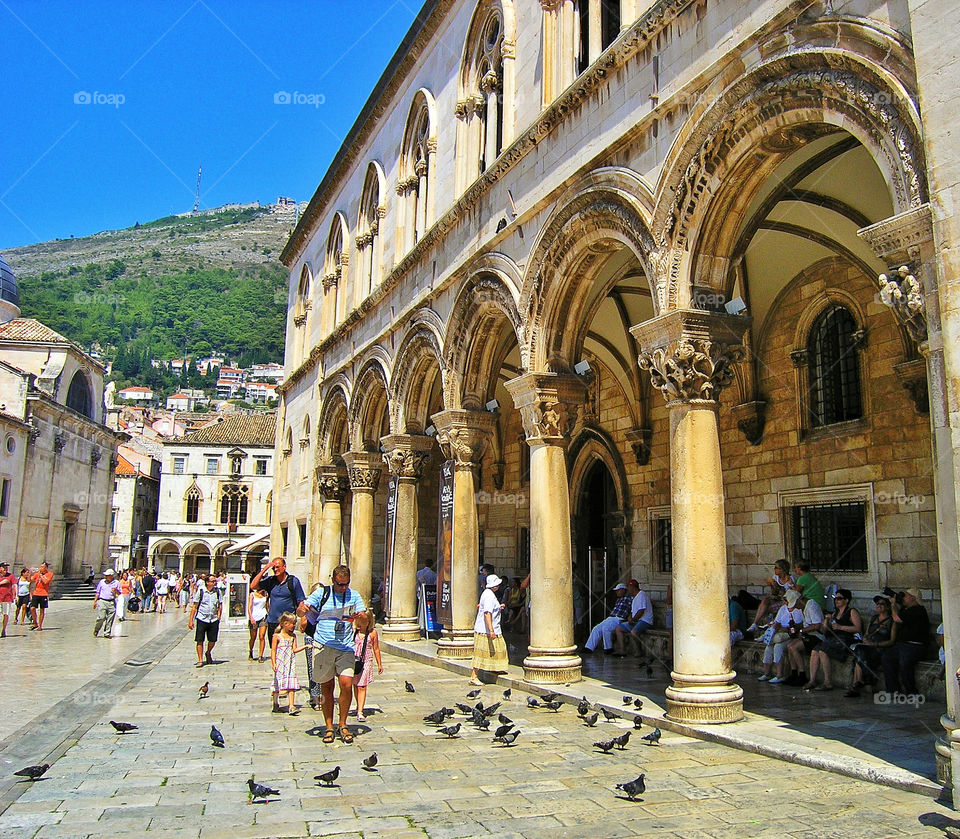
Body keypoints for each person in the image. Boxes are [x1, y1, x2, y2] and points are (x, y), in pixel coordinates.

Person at [299, 564, 365, 743]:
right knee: (327, 688)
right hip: (323, 645)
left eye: (346, 584)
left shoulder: (354, 595)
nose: (343, 588)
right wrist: (302, 610)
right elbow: (300, 610)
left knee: (346, 683)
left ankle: (343, 724)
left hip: (345, 647)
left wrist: (361, 617)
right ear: (333, 581)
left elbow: (365, 621)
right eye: (340, 584)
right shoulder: (322, 594)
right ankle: (329, 726)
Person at [804, 588, 862, 691]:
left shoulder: (851, 612)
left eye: (839, 599)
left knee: (823, 651)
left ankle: (828, 682)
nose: (836, 601)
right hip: (833, 639)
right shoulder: (835, 613)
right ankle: (812, 680)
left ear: (846, 600)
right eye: (835, 598)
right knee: (815, 650)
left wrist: (841, 627)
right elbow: (826, 631)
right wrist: (826, 622)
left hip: (844, 640)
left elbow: (858, 628)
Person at [881, 588, 929, 696]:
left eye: (906, 596)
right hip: (903, 645)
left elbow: (897, 619)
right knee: (887, 657)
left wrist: (893, 604)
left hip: (916, 646)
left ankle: (911, 692)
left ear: (913, 598)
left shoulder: (918, 610)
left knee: (904, 663)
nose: (904, 598)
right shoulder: (907, 610)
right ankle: (894, 690)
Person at [846, 596, 896, 697]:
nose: (879, 606)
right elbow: (867, 633)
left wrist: (875, 644)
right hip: (868, 646)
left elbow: (892, 641)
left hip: (881, 648)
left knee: (859, 654)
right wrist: (865, 639)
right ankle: (859, 682)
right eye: (877, 604)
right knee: (859, 651)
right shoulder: (874, 618)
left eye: (882, 604)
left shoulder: (891, 621)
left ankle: (856, 684)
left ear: (887, 607)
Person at [250, 558, 306, 647]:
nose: (275, 570)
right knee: (274, 649)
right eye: (273, 568)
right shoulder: (271, 581)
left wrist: (302, 619)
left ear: (284, 567)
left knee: (286, 649)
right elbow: (253, 586)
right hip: (272, 621)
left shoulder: (293, 581)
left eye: (277, 567)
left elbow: (301, 602)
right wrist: (264, 569)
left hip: (287, 623)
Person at [470, 574, 508, 685]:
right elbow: (487, 613)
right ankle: (473, 676)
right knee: (481, 652)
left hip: (493, 628)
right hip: (486, 629)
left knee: (498, 648)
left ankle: (495, 667)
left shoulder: (489, 594)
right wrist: (491, 630)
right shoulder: (488, 595)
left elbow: (488, 608)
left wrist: (499, 607)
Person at [758, 589, 803, 683]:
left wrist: (781, 628)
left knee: (778, 647)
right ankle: (767, 673)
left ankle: (779, 675)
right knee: (769, 646)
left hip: (790, 636)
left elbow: (795, 628)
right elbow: (777, 621)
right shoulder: (783, 609)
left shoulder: (798, 611)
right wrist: (774, 626)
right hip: (779, 633)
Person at [784, 592, 824, 687]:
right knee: (789, 646)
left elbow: (817, 625)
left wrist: (801, 630)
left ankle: (802, 674)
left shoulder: (811, 606)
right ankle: (794, 673)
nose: (796, 607)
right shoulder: (804, 608)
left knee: (794, 647)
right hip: (809, 635)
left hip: (817, 636)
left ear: (800, 600)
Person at [745, 560, 795, 635]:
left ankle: (768, 630)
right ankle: (755, 624)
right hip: (778, 599)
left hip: (786, 602)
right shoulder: (775, 578)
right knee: (765, 600)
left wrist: (779, 588)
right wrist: (773, 586)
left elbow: (790, 595)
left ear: (782, 569)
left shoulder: (790, 579)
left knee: (768, 609)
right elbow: (774, 593)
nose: (774, 569)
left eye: (776, 568)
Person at [583, 583, 633, 654]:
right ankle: (589, 648)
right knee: (596, 628)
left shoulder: (629, 598)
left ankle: (608, 648)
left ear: (623, 590)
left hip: (619, 618)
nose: (617, 592)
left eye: (618, 590)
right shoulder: (618, 600)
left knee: (606, 628)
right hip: (611, 618)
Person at [271, 611, 305, 715]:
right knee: (278, 684)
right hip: (281, 662)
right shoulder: (277, 636)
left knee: (291, 684)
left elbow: (294, 649)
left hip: (290, 663)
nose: (294, 626)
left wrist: (305, 647)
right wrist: (273, 662)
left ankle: (291, 706)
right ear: (285, 623)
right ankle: (275, 703)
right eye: (292, 623)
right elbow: (273, 650)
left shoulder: (293, 636)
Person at [352, 611, 382, 722]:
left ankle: (360, 711)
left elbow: (376, 648)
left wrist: (379, 664)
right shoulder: (354, 632)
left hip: (366, 661)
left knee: (362, 686)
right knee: (355, 685)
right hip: (354, 661)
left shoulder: (373, 633)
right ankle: (358, 705)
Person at [187, 575, 222, 667]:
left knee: (212, 640)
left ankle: (208, 652)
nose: (215, 583)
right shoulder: (201, 591)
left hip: (213, 619)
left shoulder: (217, 591)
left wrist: (219, 616)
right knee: (199, 640)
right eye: (213, 581)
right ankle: (200, 660)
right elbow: (194, 606)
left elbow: (220, 604)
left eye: (215, 581)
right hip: (202, 618)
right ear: (207, 582)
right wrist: (191, 620)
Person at [612, 580, 651, 657]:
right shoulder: (634, 598)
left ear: (633, 587)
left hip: (645, 621)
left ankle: (639, 650)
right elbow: (633, 611)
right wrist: (630, 617)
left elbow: (641, 611)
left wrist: (633, 620)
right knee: (618, 628)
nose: (628, 589)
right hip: (636, 620)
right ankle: (622, 650)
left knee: (633, 632)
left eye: (629, 587)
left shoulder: (642, 595)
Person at [92, 569, 121, 638]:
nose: (105, 576)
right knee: (101, 617)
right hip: (102, 601)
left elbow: (119, 593)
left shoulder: (116, 583)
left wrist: (116, 590)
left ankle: (107, 633)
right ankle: (96, 629)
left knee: (110, 618)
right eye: (105, 575)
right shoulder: (102, 582)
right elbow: (98, 592)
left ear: (111, 576)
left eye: (107, 575)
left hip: (111, 602)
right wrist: (95, 602)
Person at [30, 561, 53, 631]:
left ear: (46, 568)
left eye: (42, 567)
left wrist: (41, 575)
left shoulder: (49, 574)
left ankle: (40, 625)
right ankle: (35, 622)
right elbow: (30, 580)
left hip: (44, 594)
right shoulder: (37, 574)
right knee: (32, 608)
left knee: (42, 610)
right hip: (36, 593)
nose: (41, 568)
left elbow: (46, 582)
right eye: (40, 567)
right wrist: (30, 573)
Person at [248, 585, 269, 662]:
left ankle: (260, 655)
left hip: (263, 616)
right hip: (254, 617)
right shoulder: (252, 594)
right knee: (253, 637)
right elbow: (249, 607)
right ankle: (250, 651)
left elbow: (267, 606)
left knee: (262, 636)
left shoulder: (266, 595)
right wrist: (251, 618)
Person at [0, 562, 15, 638]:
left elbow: (11, 583)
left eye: (6, 567)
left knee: (6, 614)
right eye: (4, 567)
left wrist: (15, 595)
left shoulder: (10, 576)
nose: (6, 569)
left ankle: (3, 629)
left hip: (7, 598)